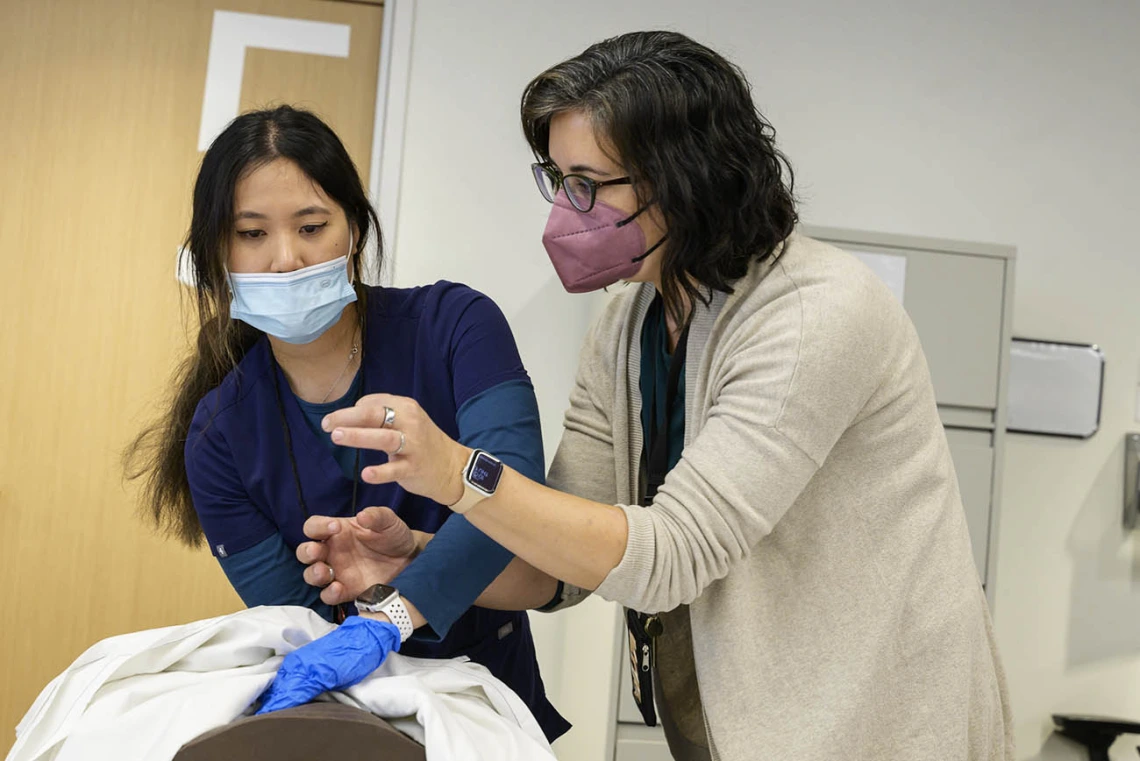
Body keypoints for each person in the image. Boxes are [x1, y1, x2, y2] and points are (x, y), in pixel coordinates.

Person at [282, 31, 1017, 760]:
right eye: (557, 179)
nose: (565, 212)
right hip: (744, 720)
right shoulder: (630, 321)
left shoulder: (810, 314)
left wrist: (458, 473)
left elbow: (672, 554)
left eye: (588, 184)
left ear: (685, 177)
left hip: (879, 725)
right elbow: (558, 559)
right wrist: (420, 555)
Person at [125, 105, 569, 741]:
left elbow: (513, 491)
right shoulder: (218, 435)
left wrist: (391, 604)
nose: (285, 259)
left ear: (354, 231)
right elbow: (301, 629)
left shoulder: (455, 328)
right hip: (344, 725)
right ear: (213, 252)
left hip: (490, 709)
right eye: (251, 234)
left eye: (311, 226)